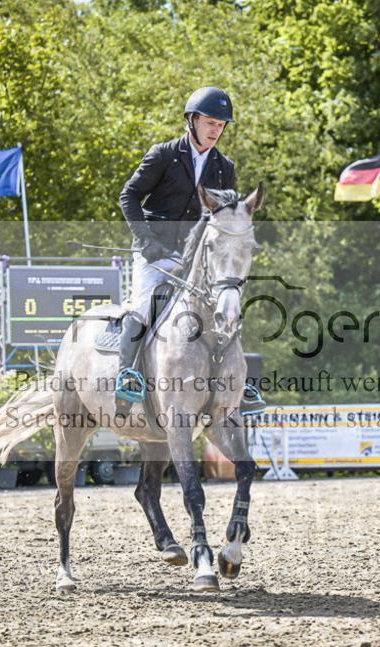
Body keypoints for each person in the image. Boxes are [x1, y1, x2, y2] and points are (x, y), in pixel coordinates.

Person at [117, 86, 265, 415]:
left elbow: (224, 219)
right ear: (191, 120)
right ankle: (127, 375)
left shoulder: (225, 167)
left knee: (227, 304)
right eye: (210, 122)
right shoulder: (164, 155)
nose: (216, 130)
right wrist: (146, 241)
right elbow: (128, 196)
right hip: (155, 250)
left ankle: (238, 386)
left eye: (221, 125)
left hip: (196, 257)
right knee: (144, 304)